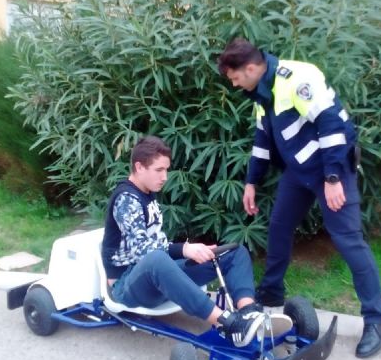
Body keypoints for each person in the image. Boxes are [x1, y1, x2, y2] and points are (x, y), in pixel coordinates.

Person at [217, 38, 381, 358]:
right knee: (279, 228)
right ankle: (270, 296)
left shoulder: (296, 78)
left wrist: (334, 178)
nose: (234, 83)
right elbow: (262, 140)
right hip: (299, 173)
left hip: (330, 169)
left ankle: (377, 319)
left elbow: (332, 125)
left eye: (235, 77)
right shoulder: (261, 94)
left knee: (349, 241)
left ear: (252, 68)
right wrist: (251, 182)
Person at [101, 135, 290, 347]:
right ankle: (229, 323)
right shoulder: (126, 199)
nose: (165, 177)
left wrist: (195, 251)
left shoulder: (147, 192)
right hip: (127, 285)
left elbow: (157, 245)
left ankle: (248, 314)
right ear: (139, 167)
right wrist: (185, 249)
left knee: (234, 252)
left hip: (158, 273)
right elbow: (143, 251)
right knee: (156, 259)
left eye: (166, 170)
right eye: (159, 170)